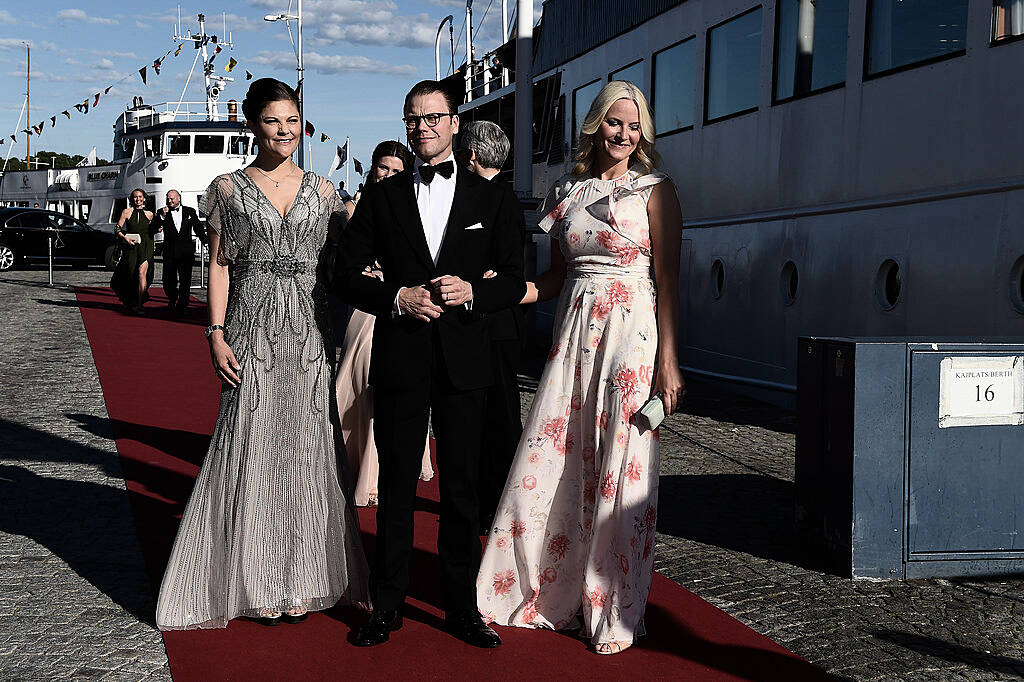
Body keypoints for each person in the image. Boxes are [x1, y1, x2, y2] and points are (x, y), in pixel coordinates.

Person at [475, 81, 685, 655]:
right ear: (596, 125)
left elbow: (668, 281)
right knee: (556, 456)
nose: (623, 134)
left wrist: (668, 360)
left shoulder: (656, 191)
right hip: (573, 338)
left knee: (622, 464)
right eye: (614, 123)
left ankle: (613, 605)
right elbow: (550, 280)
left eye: (634, 125)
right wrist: (489, 292)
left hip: (632, 335)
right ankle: (546, 589)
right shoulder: (564, 191)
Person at [155, 78, 369, 630]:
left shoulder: (325, 194)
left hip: (308, 333)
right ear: (254, 125)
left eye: (294, 121)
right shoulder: (227, 189)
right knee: (251, 448)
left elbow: (347, 263)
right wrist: (215, 332)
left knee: (307, 451)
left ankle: (304, 577)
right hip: (250, 330)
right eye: (275, 121)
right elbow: (221, 265)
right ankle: (255, 577)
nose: (286, 131)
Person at [335, 80, 525, 649]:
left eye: (434, 118)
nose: (423, 128)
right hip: (402, 355)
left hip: (467, 359)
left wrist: (473, 292)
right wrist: (397, 295)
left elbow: (515, 280)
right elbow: (343, 273)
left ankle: (462, 608)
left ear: (455, 122)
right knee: (395, 486)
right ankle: (387, 604)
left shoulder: (492, 198)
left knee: (461, 491)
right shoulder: (382, 197)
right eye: (413, 119)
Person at [334, 140, 435, 508]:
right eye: (383, 168)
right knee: (359, 380)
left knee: (394, 388)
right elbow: (340, 263)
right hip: (365, 307)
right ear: (372, 168)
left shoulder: (416, 207)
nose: (388, 175)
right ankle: (357, 462)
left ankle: (378, 474)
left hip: (404, 307)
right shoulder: (351, 208)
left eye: (396, 170)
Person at [457, 121, 522, 531]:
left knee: (496, 419)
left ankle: (494, 503)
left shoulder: (499, 198)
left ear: (473, 156)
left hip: (495, 324)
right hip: (489, 323)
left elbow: (508, 268)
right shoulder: (497, 195)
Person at [151, 189, 207, 316]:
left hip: (186, 252)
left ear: (179, 198)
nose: (169, 201)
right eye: (168, 199)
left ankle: (183, 303)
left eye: (172, 198)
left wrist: (206, 242)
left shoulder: (190, 211)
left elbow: (198, 228)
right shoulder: (161, 212)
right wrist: (162, 217)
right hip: (169, 252)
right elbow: (153, 228)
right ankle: (172, 297)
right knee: (168, 280)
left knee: (185, 280)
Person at [111, 189, 156, 315]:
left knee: (142, 273)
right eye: (135, 197)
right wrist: (125, 238)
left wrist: (158, 228)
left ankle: (140, 305)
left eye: (140, 197)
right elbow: (117, 229)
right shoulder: (126, 212)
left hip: (146, 246)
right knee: (130, 274)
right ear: (132, 199)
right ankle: (131, 301)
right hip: (131, 247)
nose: (138, 199)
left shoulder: (150, 214)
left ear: (144, 198)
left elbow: (153, 230)